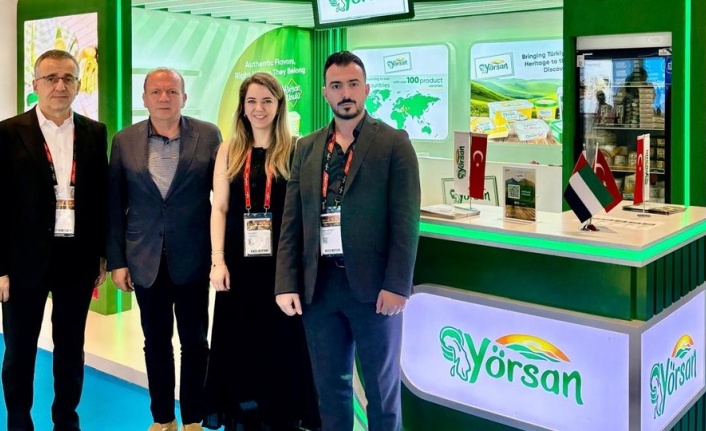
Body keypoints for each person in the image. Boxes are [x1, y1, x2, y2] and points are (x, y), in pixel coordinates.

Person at [275, 51, 421, 431]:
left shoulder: (394, 143)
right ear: (325, 92)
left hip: (374, 291)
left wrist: (397, 285)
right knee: (330, 391)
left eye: (353, 84)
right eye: (337, 86)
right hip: (319, 288)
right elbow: (292, 221)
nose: (345, 93)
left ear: (366, 89)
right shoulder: (306, 148)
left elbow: (406, 221)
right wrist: (286, 282)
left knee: (382, 392)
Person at [203, 72, 320, 431]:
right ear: (242, 107)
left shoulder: (296, 149)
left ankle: (280, 418)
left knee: (282, 345)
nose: (259, 108)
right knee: (240, 345)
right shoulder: (228, 150)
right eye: (252, 101)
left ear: (279, 105)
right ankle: (246, 417)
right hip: (238, 267)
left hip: (281, 267)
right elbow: (220, 207)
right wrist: (217, 261)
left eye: (267, 101)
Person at [106, 68, 221, 431]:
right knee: (155, 342)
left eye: (172, 91)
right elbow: (114, 205)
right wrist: (117, 261)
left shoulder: (208, 135)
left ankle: (193, 418)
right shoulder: (124, 141)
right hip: (144, 259)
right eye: (156, 92)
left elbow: (222, 201)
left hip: (193, 258)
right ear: (144, 99)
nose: (164, 98)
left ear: (184, 97)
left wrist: (221, 257)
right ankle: (163, 419)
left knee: (195, 342)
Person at [0, 49, 108, 431]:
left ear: (78, 84)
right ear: (35, 85)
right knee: (19, 351)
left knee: (70, 349)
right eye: (51, 78)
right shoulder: (7, 133)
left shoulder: (95, 132)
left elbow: (100, 199)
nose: (60, 86)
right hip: (22, 263)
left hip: (76, 261)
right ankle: (19, 422)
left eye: (68, 78)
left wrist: (102, 255)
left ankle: (66, 419)